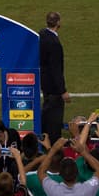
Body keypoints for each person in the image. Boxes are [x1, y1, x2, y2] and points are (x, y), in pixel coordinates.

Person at [39, 12, 69, 141]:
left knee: (46, 114)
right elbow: (56, 69)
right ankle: (53, 144)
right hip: (53, 89)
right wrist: (63, 91)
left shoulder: (41, 35)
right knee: (54, 120)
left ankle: (44, 139)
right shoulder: (54, 43)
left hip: (44, 84)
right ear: (58, 23)